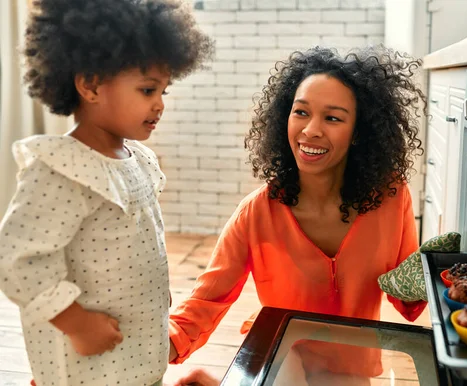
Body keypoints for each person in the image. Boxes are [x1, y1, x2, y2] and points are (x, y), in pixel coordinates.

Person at [168, 45, 428, 385]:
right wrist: (158, 344)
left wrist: (441, 274)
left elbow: (406, 296)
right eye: (301, 112)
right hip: (280, 352)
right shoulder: (257, 212)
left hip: (352, 364)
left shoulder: (392, 198)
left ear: (358, 133)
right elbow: (205, 300)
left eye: (332, 118)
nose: (310, 130)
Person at [0, 0, 212, 385]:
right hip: (87, 356)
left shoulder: (138, 160)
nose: (160, 104)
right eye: (148, 90)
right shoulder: (61, 170)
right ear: (91, 85)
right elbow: (17, 259)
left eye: (164, 90)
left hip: (136, 341)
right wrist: (75, 322)